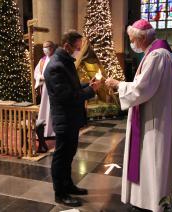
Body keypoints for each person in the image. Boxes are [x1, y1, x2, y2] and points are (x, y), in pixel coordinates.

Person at [105, 19, 172, 212]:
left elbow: (142, 88)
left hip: (154, 121)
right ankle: (149, 200)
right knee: (150, 162)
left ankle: (152, 203)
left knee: (153, 161)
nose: (132, 44)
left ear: (143, 38)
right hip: (152, 115)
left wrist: (118, 84)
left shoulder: (157, 56)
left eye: (133, 40)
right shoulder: (157, 53)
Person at [44, 30, 101, 207]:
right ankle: (60, 193)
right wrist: (91, 91)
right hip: (64, 118)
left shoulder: (65, 62)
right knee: (61, 156)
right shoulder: (55, 66)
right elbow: (67, 96)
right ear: (67, 45)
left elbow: (73, 86)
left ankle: (68, 185)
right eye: (77, 48)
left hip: (71, 118)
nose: (78, 50)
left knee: (69, 153)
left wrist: (87, 84)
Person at [34, 41, 58, 153]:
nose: (45, 49)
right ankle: (44, 132)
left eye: (47, 47)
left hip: (54, 89)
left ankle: (54, 131)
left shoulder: (56, 59)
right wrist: (40, 77)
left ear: (52, 48)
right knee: (44, 109)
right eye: (43, 47)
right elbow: (36, 72)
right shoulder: (42, 60)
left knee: (53, 109)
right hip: (44, 89)